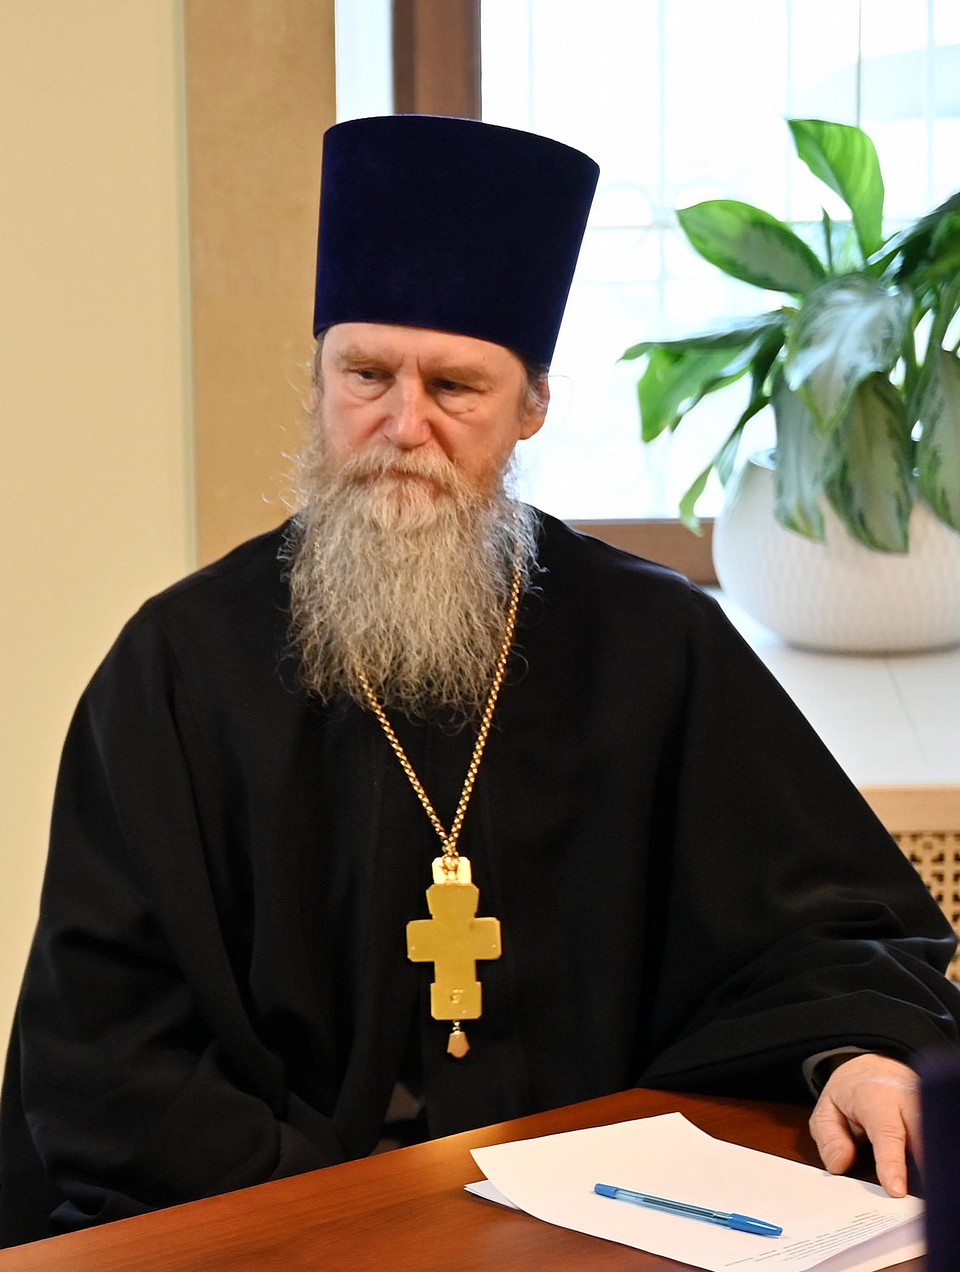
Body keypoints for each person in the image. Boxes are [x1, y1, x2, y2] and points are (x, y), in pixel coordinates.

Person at [2, 114, 958, 1247]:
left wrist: (855, 1052)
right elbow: (106, 1049)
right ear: (316, 376)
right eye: (365, 374)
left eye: (455, 386)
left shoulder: (655, 641)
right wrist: (361, 1223)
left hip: (613, 1229)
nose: (402, 425)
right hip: (287, 1230)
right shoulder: (178, 664)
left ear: (532, 406)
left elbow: (824, 929)